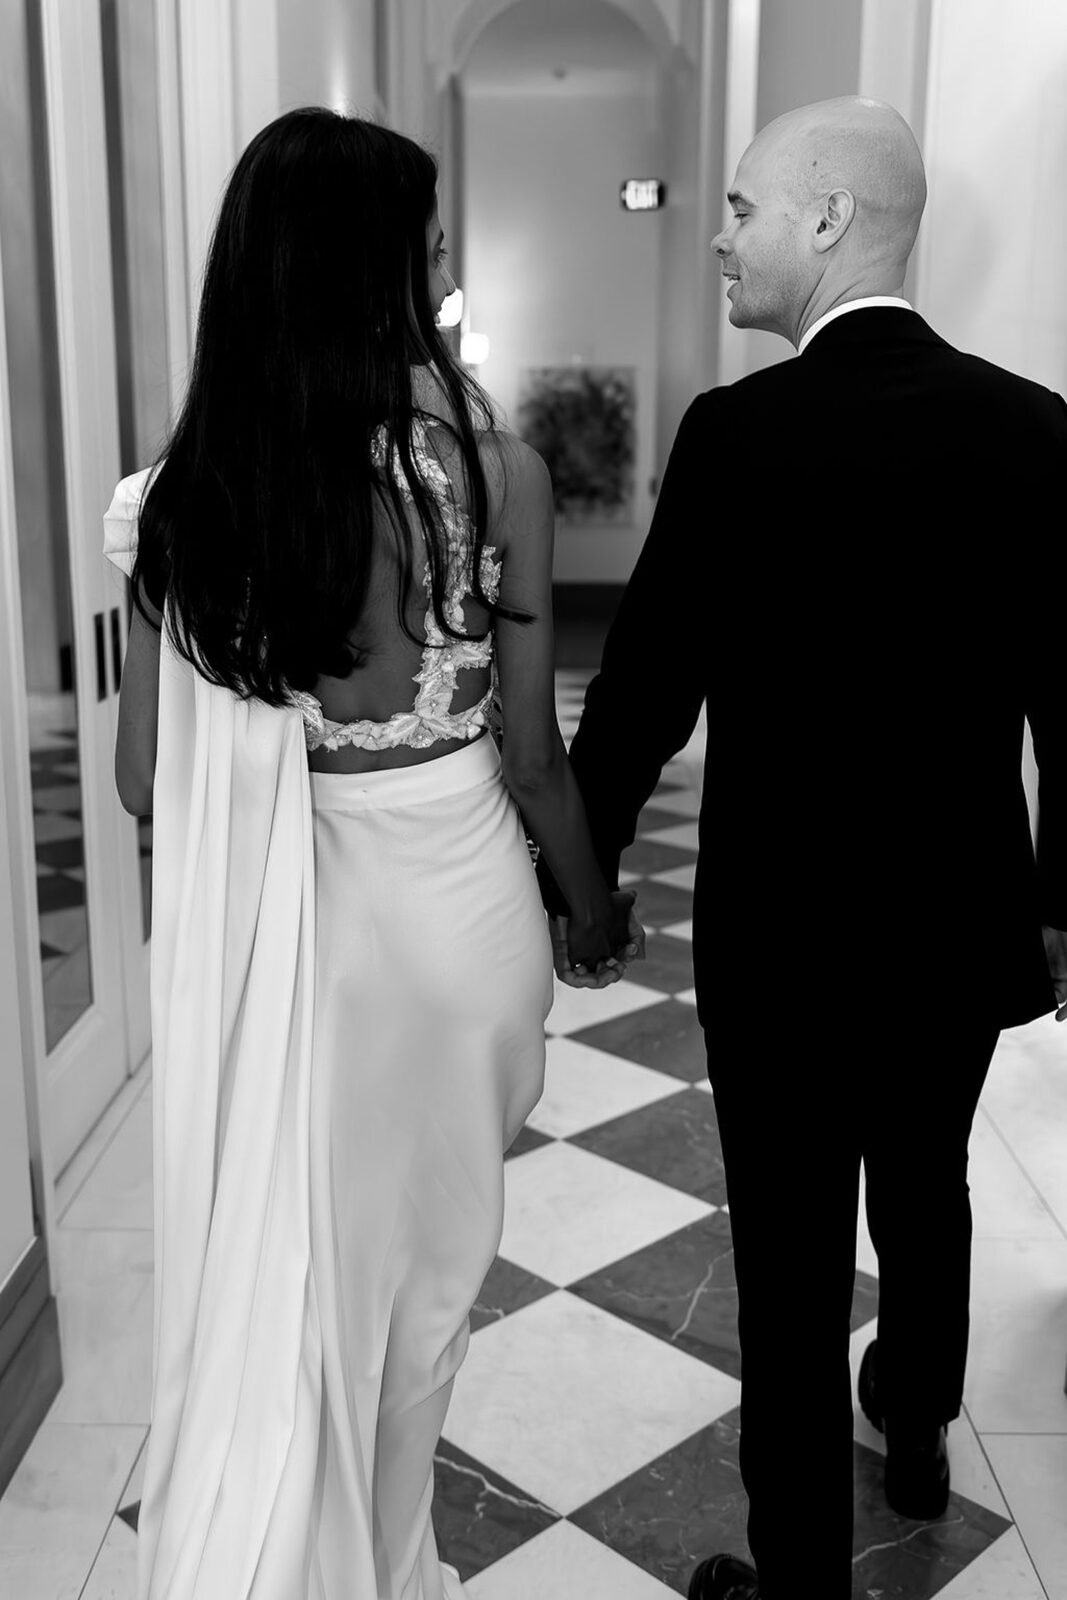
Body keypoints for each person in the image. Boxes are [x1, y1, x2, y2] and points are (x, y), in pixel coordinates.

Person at [538, 95, 1067, 1600]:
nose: (720, 235)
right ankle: (914, 1431)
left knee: (785, 1265)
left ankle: (800, 1584)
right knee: (928, 1184)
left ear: (831, 222)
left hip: (779, 943)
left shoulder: (737, 435)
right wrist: (1060, 906)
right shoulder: (1038, 435)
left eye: (745, 208)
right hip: (959, 925)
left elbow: (638, 697)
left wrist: (572, 890)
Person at [103, 107, 635, 1600]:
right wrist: (590, 910)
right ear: (372, 268)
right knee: (428, 1289)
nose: (447, 260)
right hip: (462, 906)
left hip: (305, 941)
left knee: (311, 1276)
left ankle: (327, 1556)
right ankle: (389, 1548)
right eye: (429, 238)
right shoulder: (496, 467)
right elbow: (533, 757)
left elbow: (152, 781)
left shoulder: (186, 498)